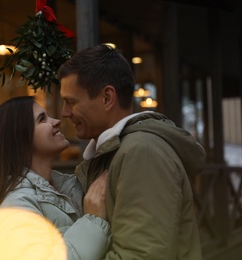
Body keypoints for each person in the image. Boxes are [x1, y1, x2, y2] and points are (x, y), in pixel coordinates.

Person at [57, 44, 206, 259]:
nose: (64, 112)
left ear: (107, 98)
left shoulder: (142, 152)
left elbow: (142, 255)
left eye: (71, 102)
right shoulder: (120, 151)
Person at [0, 96, 111, 259]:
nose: (56, 121)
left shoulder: (63, 186)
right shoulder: (15, 207)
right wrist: (93, 221)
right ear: (21, 138)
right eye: (42, 119)